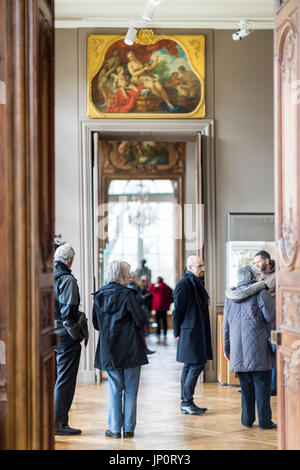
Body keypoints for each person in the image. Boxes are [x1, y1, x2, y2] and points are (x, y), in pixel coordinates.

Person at [92, 260, 149, 438]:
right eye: (128, 273)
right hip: (130, 348)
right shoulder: (128, 295)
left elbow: (96, 323)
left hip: (109, 349)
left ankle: (115, 429)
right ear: (123, 275)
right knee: (131, 390)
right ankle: (129, 428)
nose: (130, 276)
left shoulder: (99, 296)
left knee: (115, 389)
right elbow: (140, 320)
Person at [223, 265, 276, 430]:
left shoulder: (230, 297)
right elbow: (270, 316)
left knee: (245, 388)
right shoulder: (261, 292)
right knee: (262, 386)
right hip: (259, 348)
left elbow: (225, 326)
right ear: (254, 277)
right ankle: (265, 421)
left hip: (238, 349)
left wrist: (226, 349)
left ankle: (247, 420)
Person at [54, 244, 89, 436]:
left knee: (52, 379)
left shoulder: (44, 276)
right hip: (64, 336)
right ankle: (59, 424)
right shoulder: (66, 279)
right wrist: (77, 335)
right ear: (71, 260)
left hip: (48, 334)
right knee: (65, 380)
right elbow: (68, 315)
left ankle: (48, 420)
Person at [172, 255, 213, 415]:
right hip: (190, 331)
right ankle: (186, 401)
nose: (203, 269)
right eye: (199, 266)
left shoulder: (196, 282)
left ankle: (186, 401)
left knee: (190, 364)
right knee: (196, 364)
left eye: (203, 265)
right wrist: (176, 332)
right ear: (190, 267)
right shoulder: (184, 284)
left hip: (196, 330)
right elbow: (178, 311)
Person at [254, 250, 277, 396]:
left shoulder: (279, 275)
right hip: (261, 321)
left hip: (275, 322)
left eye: (258, 262)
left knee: (275, 352)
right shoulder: (260, 275)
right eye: (254, 262)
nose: (256, 264)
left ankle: (273, 387)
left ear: (267, 261)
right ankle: (261, 387)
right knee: (263, 354)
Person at [149, 276, 172, 342]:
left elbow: (150, 290)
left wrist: (153, 283)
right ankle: (165, 332)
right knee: (164, 320)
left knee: (158, 320)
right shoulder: (166, 286)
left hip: (158, 307)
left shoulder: (158, 287)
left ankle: (158, 332)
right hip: (164, 307)